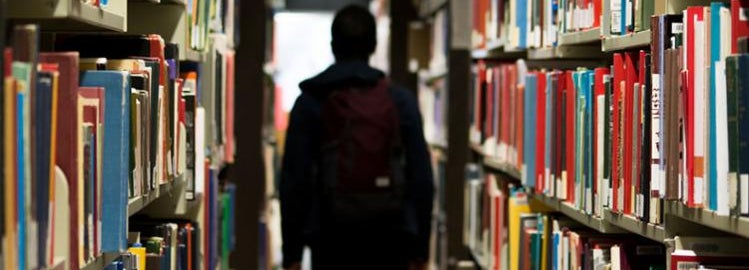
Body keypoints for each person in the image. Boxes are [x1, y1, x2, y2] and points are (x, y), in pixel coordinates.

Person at [280, 4, 434, 270]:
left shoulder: (310, 102)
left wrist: (292, 253)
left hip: (330, 238)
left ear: (332, 45)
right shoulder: (400, 102)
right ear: (373, 46)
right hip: (390, 236)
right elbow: (421, 179)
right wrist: (419, 250)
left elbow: (294, 181)